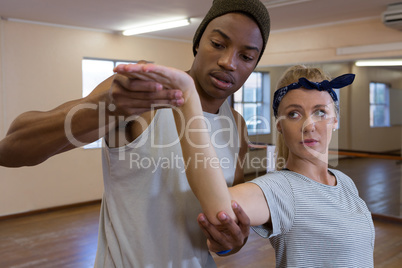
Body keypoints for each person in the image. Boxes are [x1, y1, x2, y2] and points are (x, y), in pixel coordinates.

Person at [0, 0, 271, 267]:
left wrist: (229, 244)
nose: (228, 62)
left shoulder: (235, 125)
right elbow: (11, 148)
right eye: (218, 44)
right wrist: (106, 107)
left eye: (246, 56)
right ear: (198, 42)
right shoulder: (143, 92)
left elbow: (220, 227)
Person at [119, 63, 375, 267]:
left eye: (320, 112)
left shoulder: (345, 183)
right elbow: (219, 207)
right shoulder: (281, 189)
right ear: (279, 125)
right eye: (294, 114)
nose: (309, 125)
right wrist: (188, 99)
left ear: (335, 120)